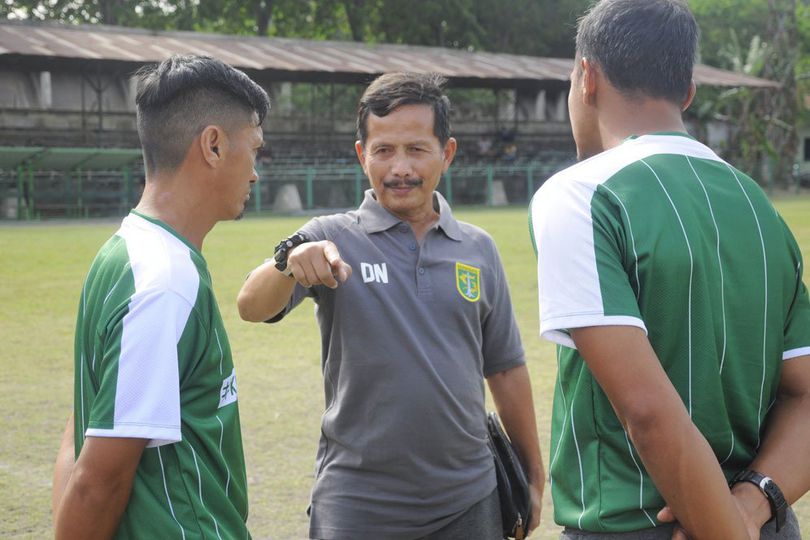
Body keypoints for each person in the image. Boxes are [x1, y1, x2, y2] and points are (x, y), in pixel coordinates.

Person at [529, 0, 810, 539]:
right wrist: (748, 510)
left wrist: (723, 529)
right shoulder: (760, 205)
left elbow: (648, 413)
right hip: (763, 522)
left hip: (638, 527)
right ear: (687, 93)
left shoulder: (581, 194)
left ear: (586, 79)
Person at [237, 72, 544, 539]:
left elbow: (505, 369)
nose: (400, 167)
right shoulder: (331, 236)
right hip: (357, 504)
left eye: (417, 149)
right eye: (383, 150)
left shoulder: (478, 249)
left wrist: (532, 473)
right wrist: (288, 263)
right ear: (363, 155)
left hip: (469, 498)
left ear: (448, 153)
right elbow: (250, 306)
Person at [51, 54, 269, 539]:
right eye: (254, 149)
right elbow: (98, 481)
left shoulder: (122, 251)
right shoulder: (164, 282)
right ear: (213, 145)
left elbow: (80, 432)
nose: (255, 172)